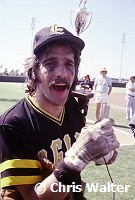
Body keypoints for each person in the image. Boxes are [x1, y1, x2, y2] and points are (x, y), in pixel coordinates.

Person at [0, 24, 119, 200]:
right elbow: (33, 197)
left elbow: (104, 157)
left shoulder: (73, 107)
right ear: (34, 72)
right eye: (50, 64)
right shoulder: (14, 123)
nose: (62, 73)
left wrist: (105, 152)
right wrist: (77, 159)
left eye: (69, 64)